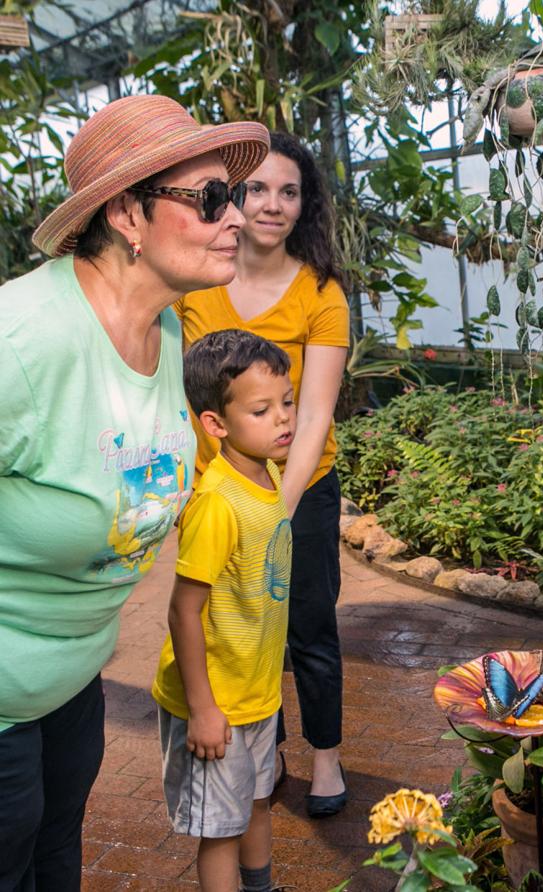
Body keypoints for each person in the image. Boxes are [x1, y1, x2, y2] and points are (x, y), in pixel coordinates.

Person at [0, 95, 268, 890]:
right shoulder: (25, 342)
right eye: (211, 198)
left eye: (240, 197)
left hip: (70, 686)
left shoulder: (172, 332)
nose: (238, 218)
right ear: (127, 215)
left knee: (54, 861)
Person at [174, 130, 350, 817]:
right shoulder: (196, 281)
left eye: (289, 191)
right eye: (257, 189)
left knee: (307, 624)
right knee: (237, 628)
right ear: (234, 198)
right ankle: (263, 747)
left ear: (303, 206)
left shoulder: (320, 292)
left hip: (297, 489)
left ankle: (327, 758)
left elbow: (312, 417)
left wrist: (277, 505)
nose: (272, 204)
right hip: (214, 493)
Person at [152, 329, 295, 892]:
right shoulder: (216, 503)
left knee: (257, 803)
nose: (283, 418)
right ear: (215, 424)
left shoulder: (268, 471)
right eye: (262, 410)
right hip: (214, 701)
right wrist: (204, 708)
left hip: (255, 692)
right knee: (220, 829)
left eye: (287, 401)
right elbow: (183, 612)